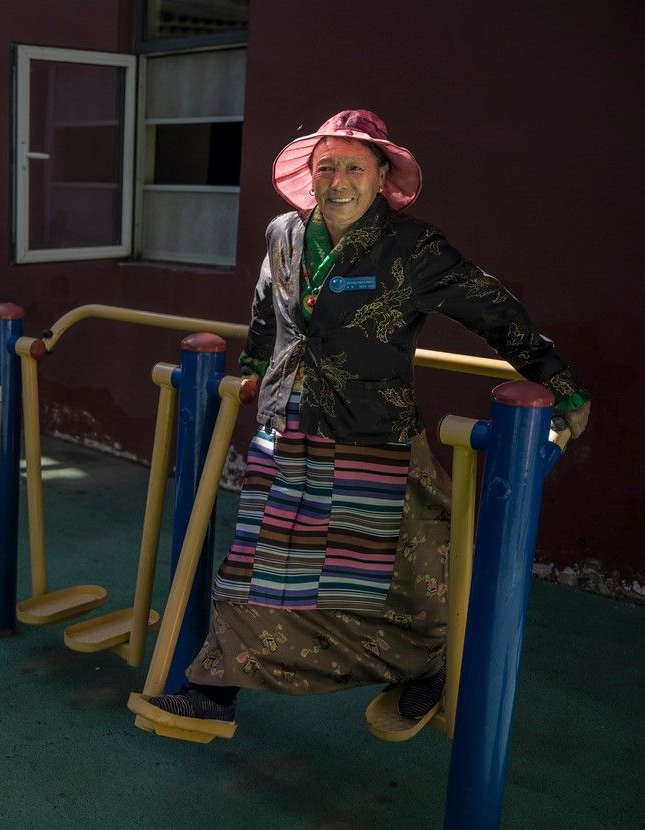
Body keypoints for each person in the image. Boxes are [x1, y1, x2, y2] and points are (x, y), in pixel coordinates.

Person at [148, 110, 591, 726]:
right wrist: (253, 365)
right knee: (262, 561)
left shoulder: (413, 247)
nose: (338, 181)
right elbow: (266, 306)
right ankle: (214, 692)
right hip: (287, 425)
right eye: (325, 166)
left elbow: (495, 309)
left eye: (354, 167)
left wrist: (560, 383)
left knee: (408, 569)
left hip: (373, 432)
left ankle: (426, 665)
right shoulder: (284, 233)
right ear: (309, 174)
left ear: (382, 176)